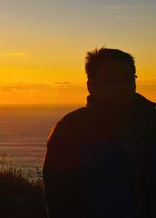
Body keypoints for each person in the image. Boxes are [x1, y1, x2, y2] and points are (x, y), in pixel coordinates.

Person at [43, 48, 156, 217]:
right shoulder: (71, 130)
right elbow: (59, 197)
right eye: (111, 80)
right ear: (91, 86)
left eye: (128, 79)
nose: (122, 86)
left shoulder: (151, 120)